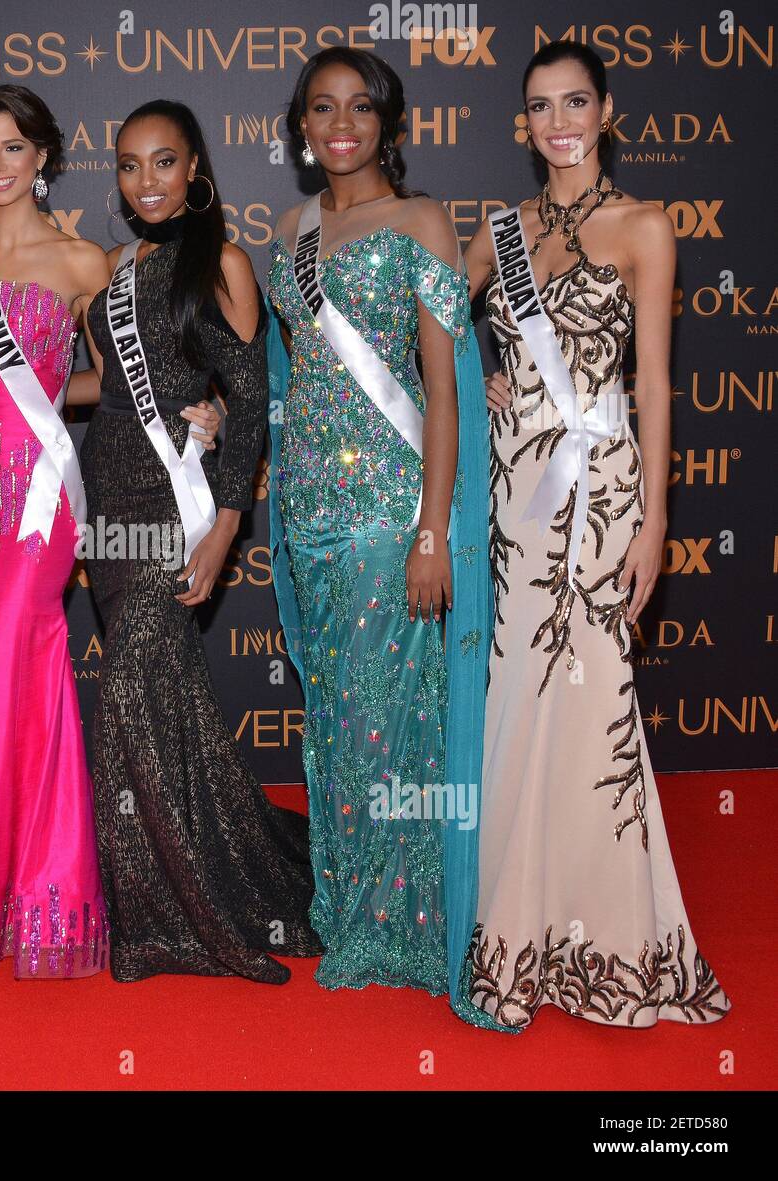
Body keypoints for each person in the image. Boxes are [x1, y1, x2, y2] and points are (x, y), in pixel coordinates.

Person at [459, 40, 729, 1030]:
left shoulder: (643, 226)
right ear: (523, 123)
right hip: (511, 493)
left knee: (591, 708)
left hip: (598, 495)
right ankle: (513, 932)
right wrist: (475, 380)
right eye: (540, 106)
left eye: (575, 102)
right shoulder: (501, 228)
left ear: (606, 110)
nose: (559, 121)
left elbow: (652, 383)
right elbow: (434, 318)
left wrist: (656, 520)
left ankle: (607, 942)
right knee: (518, 703)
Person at [265, 47, 492, 1006]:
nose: (341, 123)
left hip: (387, 514)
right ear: (303, 128)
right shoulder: (289, 228)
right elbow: (296, 380)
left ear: (386, 122)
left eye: (360, 106)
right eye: (322, 107)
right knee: (336, 725)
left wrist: (432, 528)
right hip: (307, 515)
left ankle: (403, 925)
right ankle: (352, 906)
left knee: (392, 724)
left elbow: (441, 392)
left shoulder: (424, 221)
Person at [79, 100, 320, 983]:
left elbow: (248, 405)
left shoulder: (222, 261)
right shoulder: (111, 267)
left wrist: (224, 528)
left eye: (164, 162)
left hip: (175, 506)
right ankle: (173, 883)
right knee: (160, 695)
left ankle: (184, 905)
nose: (147, 181)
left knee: (134, 689)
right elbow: (103, 390)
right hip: (109, 495)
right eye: (131, 165)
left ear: (195, 169)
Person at [0, 85, 111, 978]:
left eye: (12, 148)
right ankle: (0, 900)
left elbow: (118, 384)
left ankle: (31, 900)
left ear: (43, 156)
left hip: (40, 499)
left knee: (13, 669)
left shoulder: (84, 264)